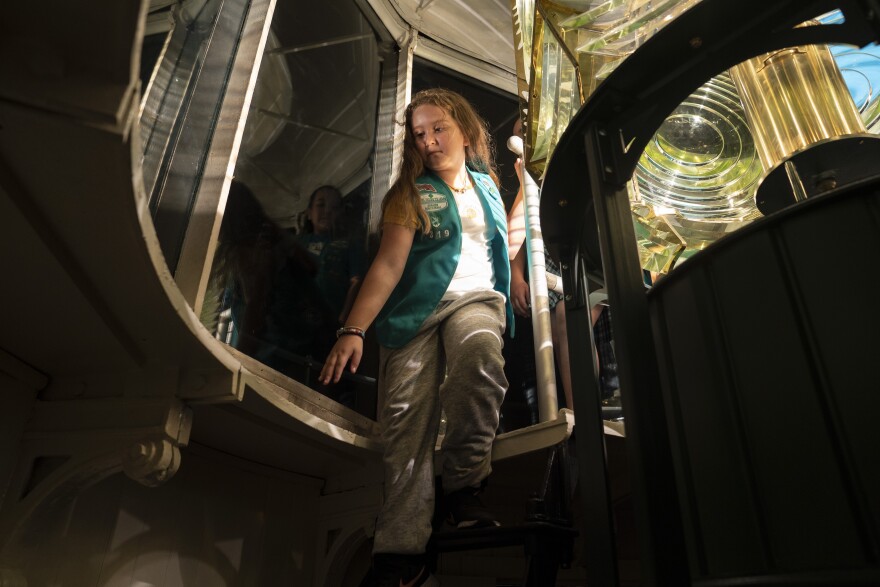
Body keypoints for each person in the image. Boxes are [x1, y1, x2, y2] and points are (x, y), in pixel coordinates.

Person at [319, 88, 513, 587]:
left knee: (479, 358)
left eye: (438, 129)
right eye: (420, 134)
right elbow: (387, 265)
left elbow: (499, 245)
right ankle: (399, 554)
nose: (429, 141)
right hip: (415, 315)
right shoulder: (409, 193)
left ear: (466, 132)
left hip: (475, 301)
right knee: (405, 424)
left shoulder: (488, 183)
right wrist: (354, 330)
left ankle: (466, 484)